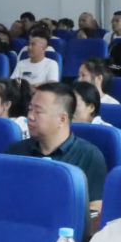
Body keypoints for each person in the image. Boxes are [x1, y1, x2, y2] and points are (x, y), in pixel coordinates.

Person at [6, 83, 107, 212]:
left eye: (38, 111)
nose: (30, 116)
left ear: (62, 119)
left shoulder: (89, 156)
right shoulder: (15, 152)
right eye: (30, 109)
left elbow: (95, 209)